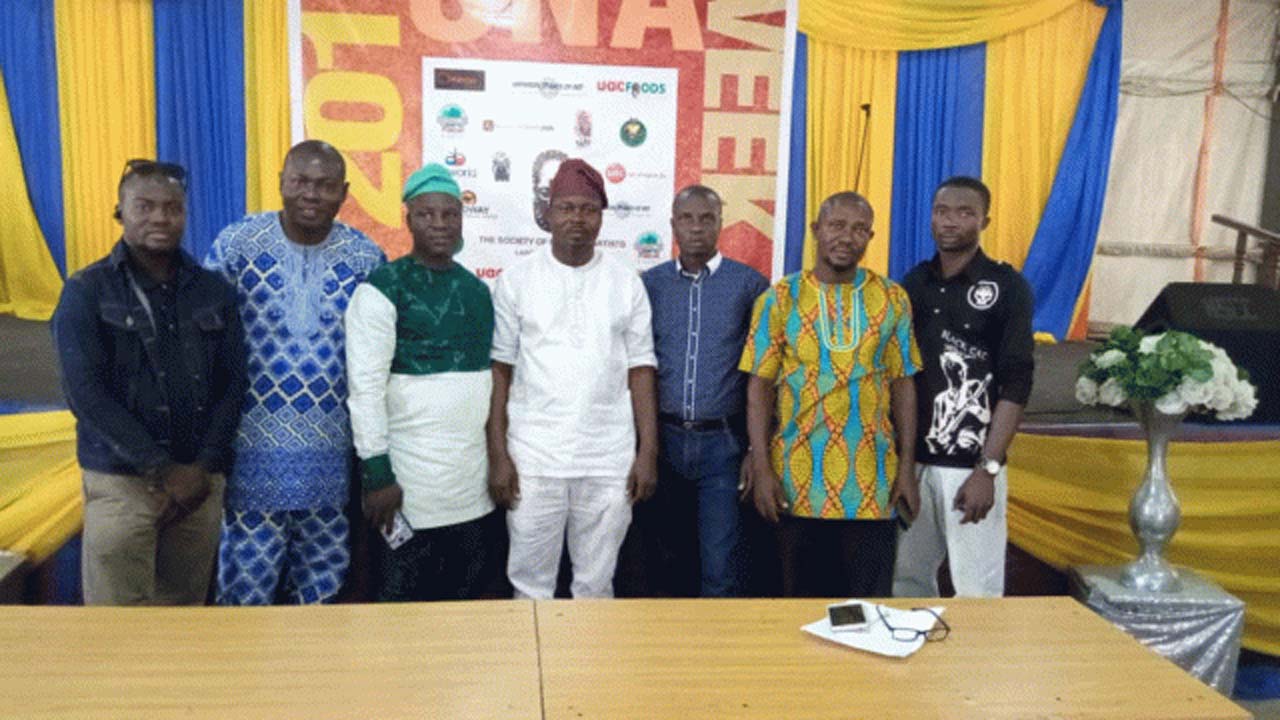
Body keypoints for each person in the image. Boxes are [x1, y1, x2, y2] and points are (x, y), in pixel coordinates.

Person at [52, 159, 246, 605]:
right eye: (145, 206)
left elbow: (234, 383)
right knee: (117, 626)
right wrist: (161, 469)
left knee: (183, 620)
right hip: (121, 483)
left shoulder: (214, 290)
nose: (160, 217)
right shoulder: (87, 291)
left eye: (172, 208)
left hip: (198, 485)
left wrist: (202, 468)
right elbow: (85, 393)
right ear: (120, 211)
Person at [205, 140, 385, 605]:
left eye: (325, 185)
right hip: (250, 454)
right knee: (245, 590)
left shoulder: (365, 258)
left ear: (344, 192)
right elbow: (202, 341)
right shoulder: (238, 245)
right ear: (281, 181)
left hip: (330, 458)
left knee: (322, 589)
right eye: (300, 181)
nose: (311, 194)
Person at [488, 158, 658, 599]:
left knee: (596, 585)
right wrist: (499, 454)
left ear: (601, 216)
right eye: (566, 208)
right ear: (547, 213)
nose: (576, 218)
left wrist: (648, 452)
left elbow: (641, 369)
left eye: (588, 209)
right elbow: (501, 370)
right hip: (534, 457)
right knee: (530, 583)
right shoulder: (516, 280)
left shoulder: (626, 282)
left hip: (608, 458)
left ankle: (591, 649)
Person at [740, 191, 921, 598]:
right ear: (816, 230)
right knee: (798, 608)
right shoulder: (779, 299)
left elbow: (903, 383)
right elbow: (759, 387)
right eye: (837, 226)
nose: (847, 237)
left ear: (870, 237)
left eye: (859, 229)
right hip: (795, 480)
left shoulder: (892, 298)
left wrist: (907, 468)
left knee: (867, 606)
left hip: (871, 481)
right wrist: (762, 468)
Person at [345, 164, 500, 601]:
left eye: (450, 214)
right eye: (426, 214)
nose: (439, 224)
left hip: (470, 489)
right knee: (403, 612)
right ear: (408, 219)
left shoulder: (477, 292)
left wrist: (497, 464)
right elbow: (365, 389)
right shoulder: (383, 288)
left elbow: (488, 385)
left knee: (465, 608)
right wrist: (377, 476)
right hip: (405, 488)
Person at [893, 176, 1034, 598]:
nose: (950, 221)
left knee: (977, 591)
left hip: (970, 467)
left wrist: (987, 469)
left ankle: (976, 652)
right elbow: (900, 376)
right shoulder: (914, 283)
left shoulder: (1006, 287)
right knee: (905, 583)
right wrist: (903, 466)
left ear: (984, 221)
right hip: (915, 464)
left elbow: (1016, 383)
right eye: (942, 211)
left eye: (964, 212)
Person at [635, 185, 768, 597]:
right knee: (663, 560)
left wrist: (755, 450)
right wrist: (644, 447)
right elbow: (637, 366)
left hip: (723, 445)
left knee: (720, 564)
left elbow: (763, 375)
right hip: (663, 440)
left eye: (706, 218)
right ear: (673, 225)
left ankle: (718, 639)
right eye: (687, 219)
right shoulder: (649, 286)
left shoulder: (750, 285)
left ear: (720, 224)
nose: (696, 227)